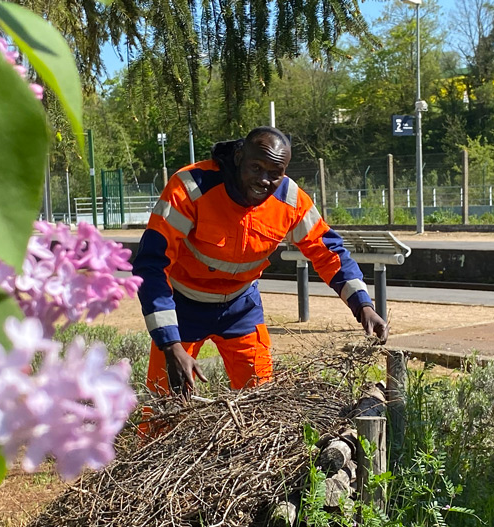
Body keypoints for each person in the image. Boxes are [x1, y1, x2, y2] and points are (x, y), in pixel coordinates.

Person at [132, 126, 389, 397]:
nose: (264, 180)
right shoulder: (191, 187)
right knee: (165, 408)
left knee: (261, 402)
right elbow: (151, 265)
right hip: (182, 306)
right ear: (238, 156)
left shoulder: (290, 199)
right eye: (256, 168)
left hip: (241, 309)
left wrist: (362, 304)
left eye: (275, 173)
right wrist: (170, 343)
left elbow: (328, 251)